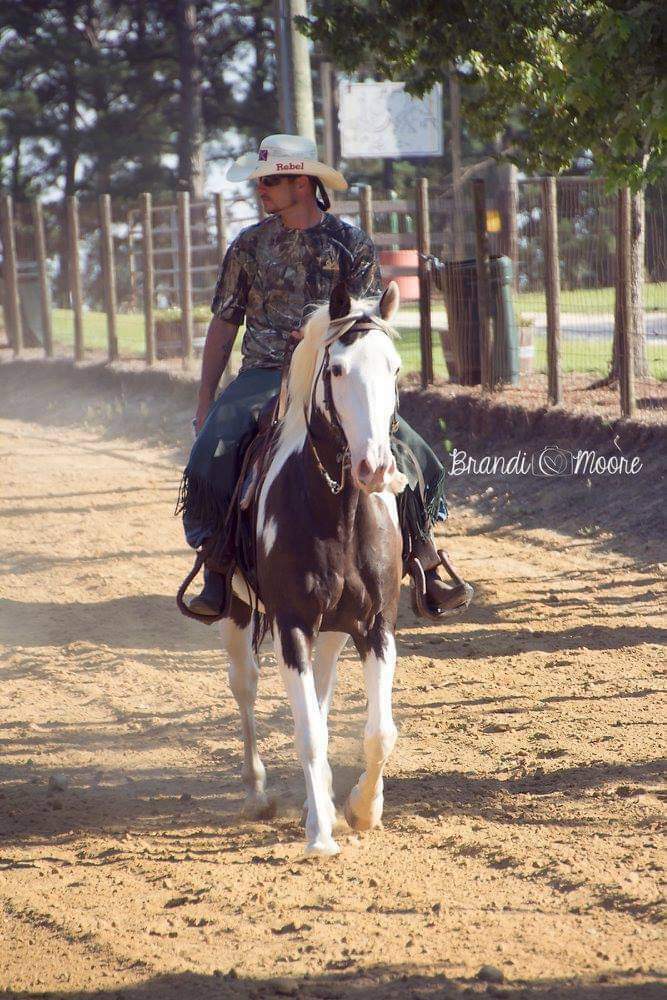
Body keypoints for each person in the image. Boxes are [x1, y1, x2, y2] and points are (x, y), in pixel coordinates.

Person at [178, 134, 472, 621]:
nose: (260, 189)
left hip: (338, 373)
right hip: (266, 374)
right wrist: (206, 399)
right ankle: (217, 565)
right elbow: (225, 323)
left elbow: (368, 323)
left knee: (414, 452)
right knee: (212, 447)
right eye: (260, 181)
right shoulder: (248, 246)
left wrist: (318, 340)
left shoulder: (351, 244)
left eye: (269, 181)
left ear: (302, 183)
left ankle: (424, 556)